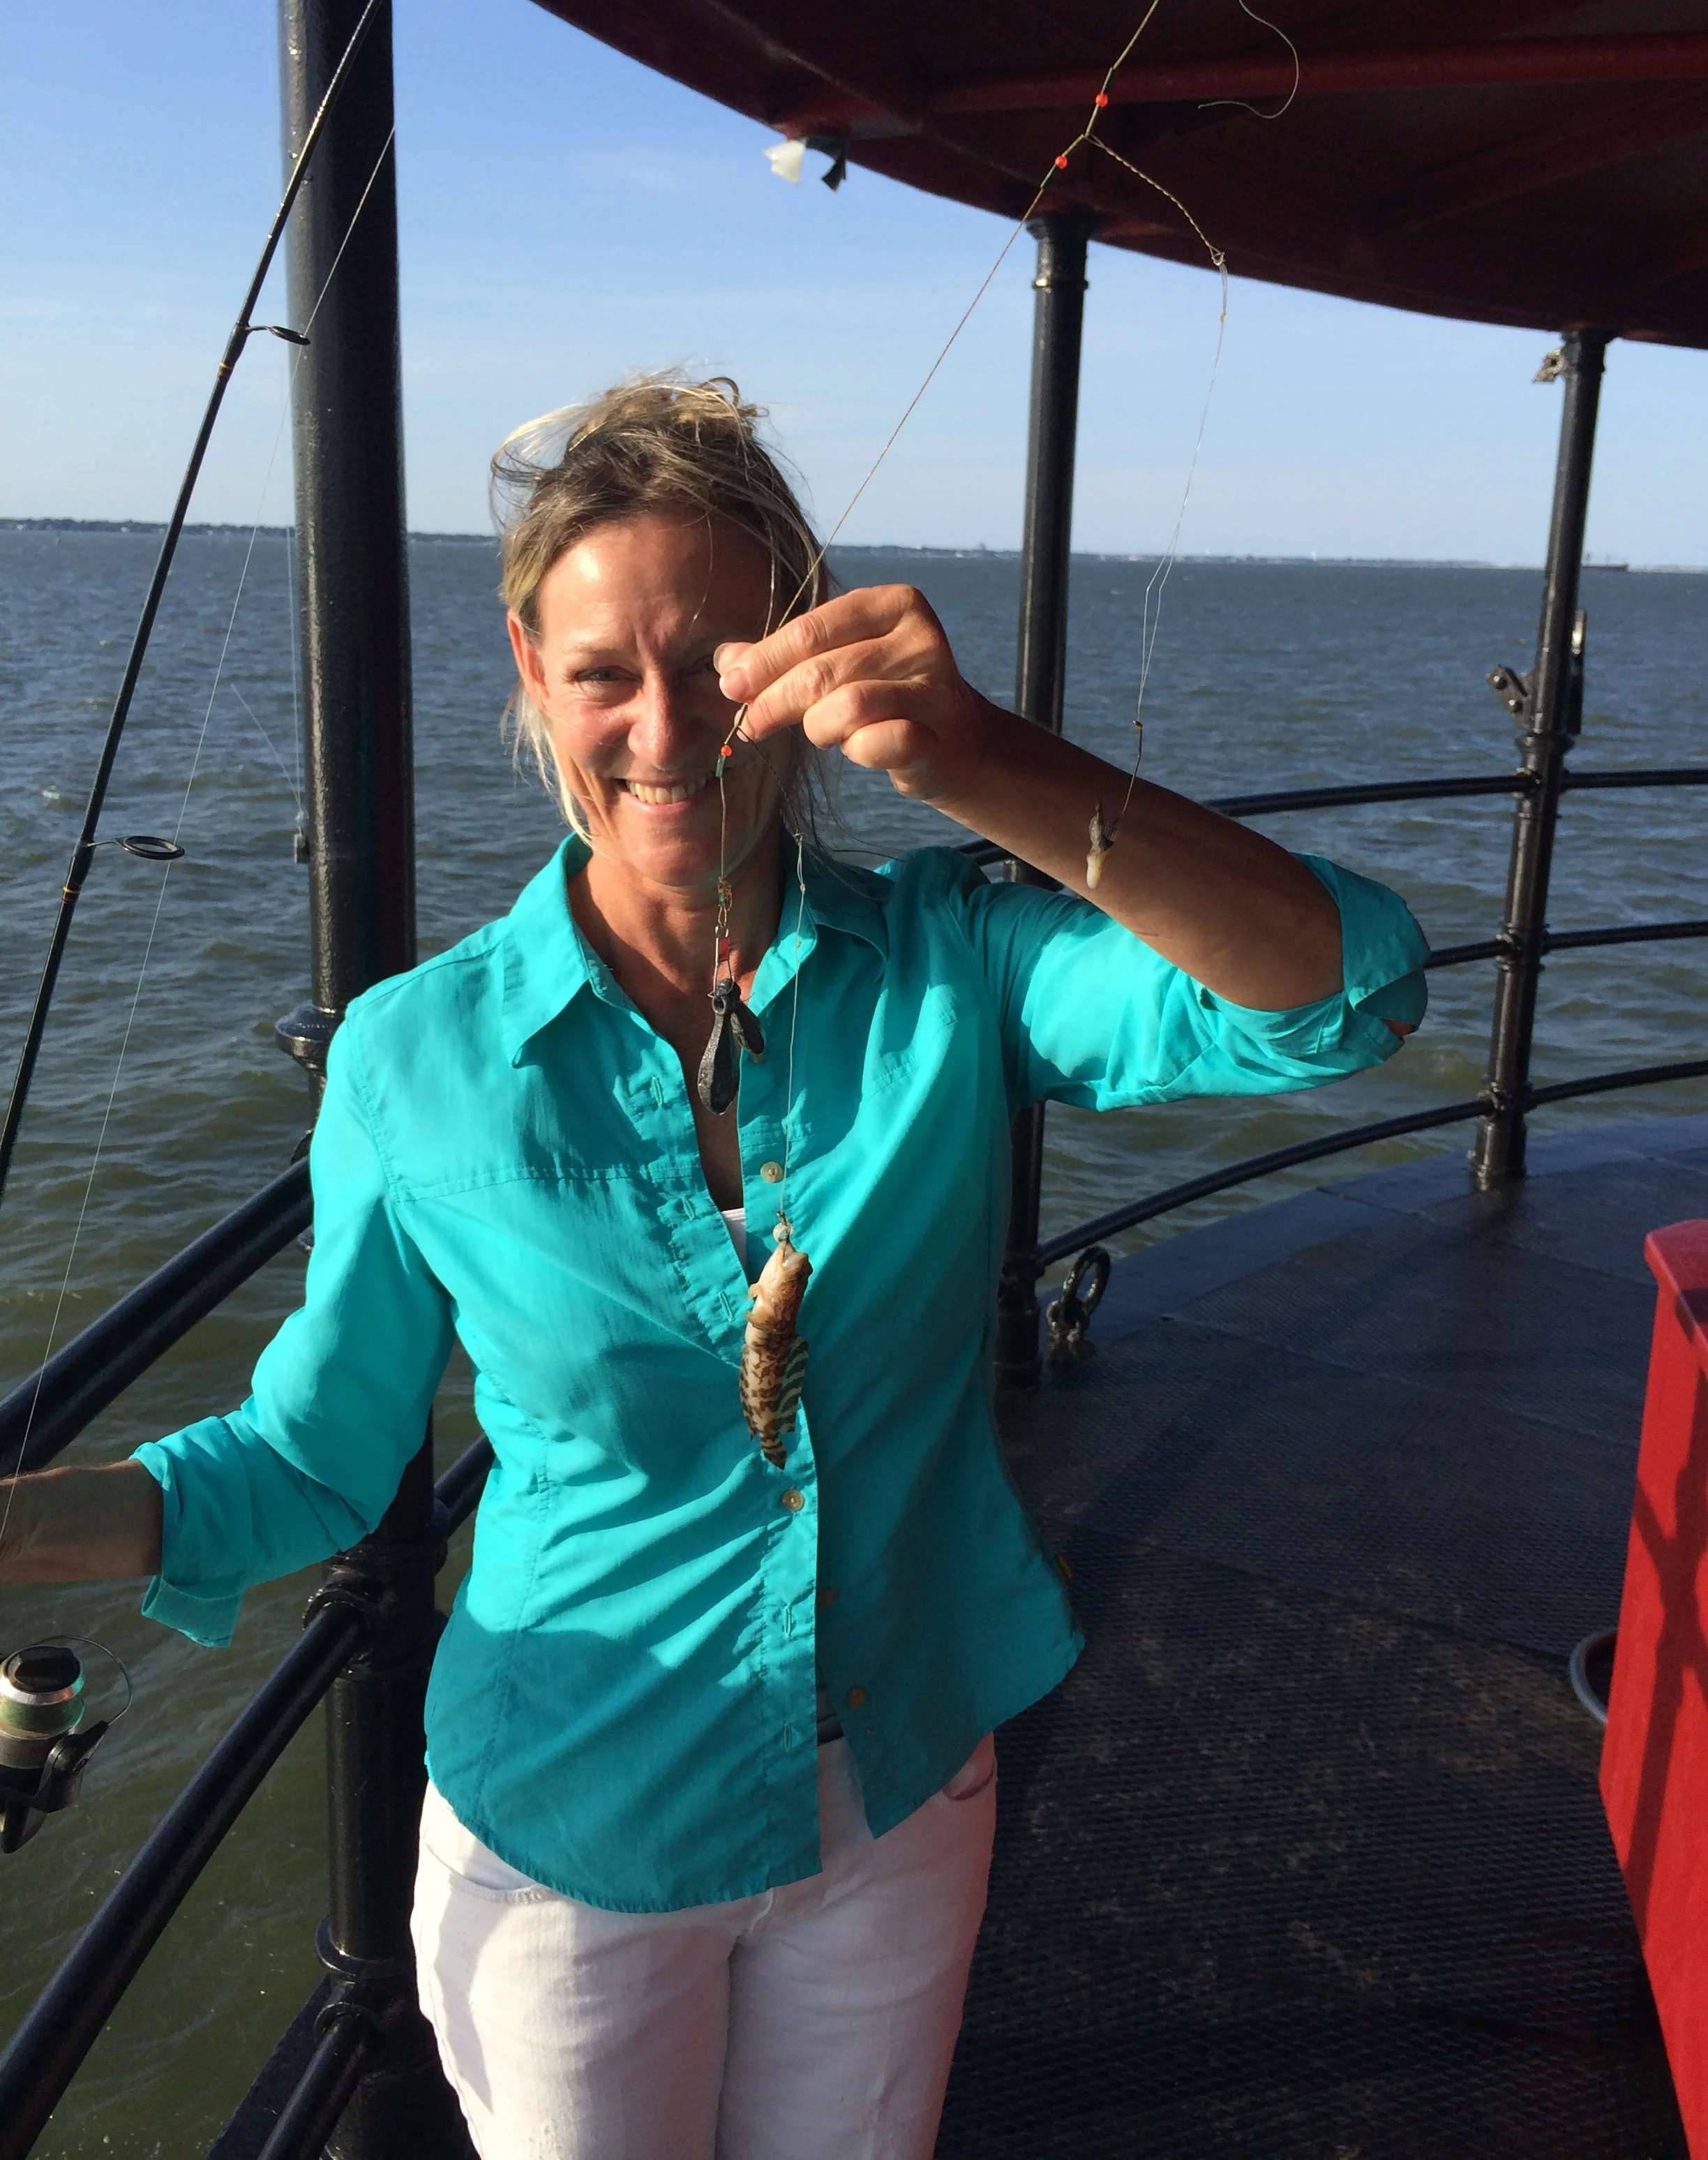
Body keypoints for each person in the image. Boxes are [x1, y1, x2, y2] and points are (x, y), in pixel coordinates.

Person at [0, 378, 1428, 2159]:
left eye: (728, 663)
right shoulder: (410, 1057)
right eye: (607, 671)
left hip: (899, 1796)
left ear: (815, 663)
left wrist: (985, 758)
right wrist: (28, 1525)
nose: (671, 729)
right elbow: (309, 1456)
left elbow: (1345, 995)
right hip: (573, 1840)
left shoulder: (956, 965)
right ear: (531, 668)